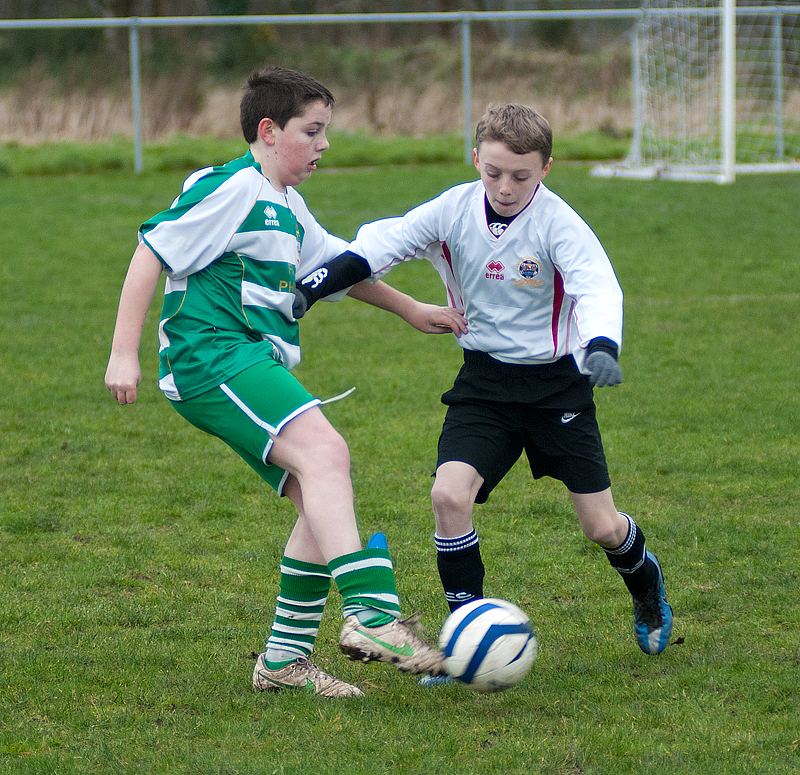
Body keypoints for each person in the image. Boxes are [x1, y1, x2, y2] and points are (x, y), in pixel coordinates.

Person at [104, 66, 467, 699]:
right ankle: (372, 614)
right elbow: (150, 251)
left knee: (319, 501)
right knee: (327, 452)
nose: (324, 144)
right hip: (211, 354)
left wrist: (411, 309)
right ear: (269, 131)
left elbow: (341, 268)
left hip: (244, 359)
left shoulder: (288, 205)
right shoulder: (232, 188)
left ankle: (283, 661)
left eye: (326, 131)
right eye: (312, 131)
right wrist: (121, 354)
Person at [292, 103, 673, 661]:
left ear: (546, 169)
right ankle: (464, 640)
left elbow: (596, 286)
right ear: (476, 159)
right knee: (448, 495)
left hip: (556, 387)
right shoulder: (453, 209)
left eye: (521, 175)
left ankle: (645, 583)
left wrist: (601, 347)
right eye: (493, 172)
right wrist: (312, 288)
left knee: (601, 527)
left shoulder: (559, 223)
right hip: (484, 383)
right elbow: (380, 246)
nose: (505, 187)